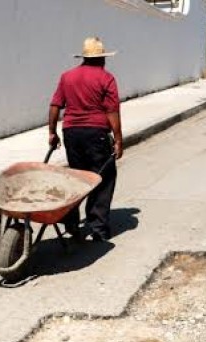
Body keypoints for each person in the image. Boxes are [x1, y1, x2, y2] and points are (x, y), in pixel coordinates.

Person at [49, 37, 124, 241]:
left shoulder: (67, 77)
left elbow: (55, 105)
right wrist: (118, 139)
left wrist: (52, 132)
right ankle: (98, 228)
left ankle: (72, 223)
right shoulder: (106, 78)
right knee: (103, 178)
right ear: (101, 58)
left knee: (78, 177)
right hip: (96, 133)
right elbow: (112, 110)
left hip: (71, 133)